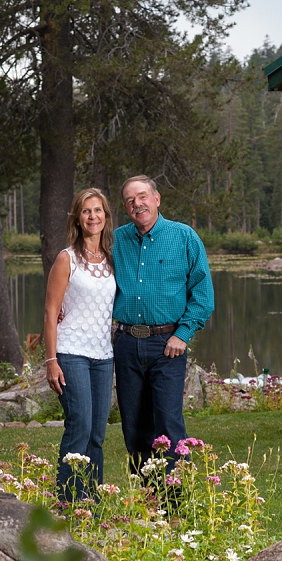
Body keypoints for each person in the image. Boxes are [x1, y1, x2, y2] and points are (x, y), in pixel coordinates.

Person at [112, 175, 214, 475]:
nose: (137, 204)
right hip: (127, 343)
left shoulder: (183, 237)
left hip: (167, 344)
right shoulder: (116, 239)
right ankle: (147, 503)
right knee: (133, 426)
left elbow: (203, 294)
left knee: (168, 424)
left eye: (142, 196)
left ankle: (176, 500)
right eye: (130, 200)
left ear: (157, 199)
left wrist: (183, 334)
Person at [43, 188, 117, 501]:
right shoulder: (66, 258)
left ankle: (92, 502)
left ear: (106, 216)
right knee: (80, 425)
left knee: (97, 434)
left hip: (103, 355)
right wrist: (51, 361)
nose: (93, 216)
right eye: (86, 211)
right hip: (71, 353)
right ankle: (68, 501)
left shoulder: (113, 259)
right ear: (78, 217)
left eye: (98, 210)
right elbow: (50, 310)